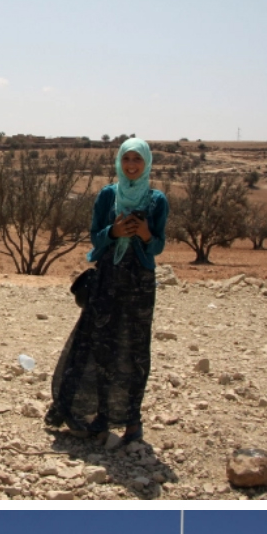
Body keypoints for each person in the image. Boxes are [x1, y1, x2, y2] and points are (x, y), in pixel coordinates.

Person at [44, 137, 171, 446]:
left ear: (146, 163)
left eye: (137, 159)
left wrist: (145, 234)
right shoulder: (107, 196)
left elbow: (158, 246)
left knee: (135, 350)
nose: (131, 165)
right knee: (101, 347)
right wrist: (113, 232)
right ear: (118, 161)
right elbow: (95, 238)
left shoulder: (157, 201)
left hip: (140, 283)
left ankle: (132, 421)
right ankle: (99, 418)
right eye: (126, 159)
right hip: (107, 279)